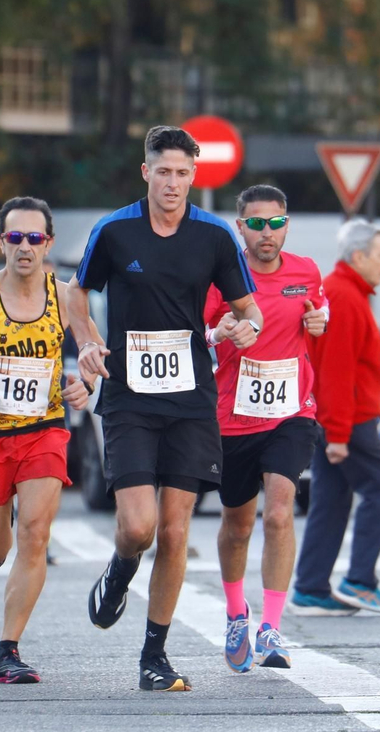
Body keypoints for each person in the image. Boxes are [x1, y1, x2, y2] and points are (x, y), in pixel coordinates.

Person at [62, 126, 263, 693]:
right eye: (163, 171)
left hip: (191, 399)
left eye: (182, 173)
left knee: (175, 532)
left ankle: (155, 655)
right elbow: (77, 293)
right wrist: (87, 342)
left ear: (193, 176)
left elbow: (251, 309)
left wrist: (244, 329)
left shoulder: (215, 237)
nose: (172, 183)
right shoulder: (115, 230)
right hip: (128, 396)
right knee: (138, 527)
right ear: (145, 172)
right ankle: (120, 571)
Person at [0, 196, 91, 684]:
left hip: (43, 428)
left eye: (34, 238)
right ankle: (2, 506)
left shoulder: (67, 296)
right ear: (1, 241)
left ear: (48, 243)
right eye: (14, 237)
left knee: (35, 535)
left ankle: (8, 648)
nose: (24, 247)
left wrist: (84, 386)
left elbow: (91, 353)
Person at [203, 185, 328, 672]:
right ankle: (237, 613)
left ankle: (272, 628)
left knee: (279, 513)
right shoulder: (223, 278)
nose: (267, 233)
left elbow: (318, 309)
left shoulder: (306, 270)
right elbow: (202, 331)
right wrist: (221, 332)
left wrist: (320, 320)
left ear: (287, 225)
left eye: (275, 223)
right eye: (257, 224)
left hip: (292, 412)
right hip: (233, 416)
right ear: (241, 228)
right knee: (237, 526)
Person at [292, 218, 380, 616]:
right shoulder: (343, 295)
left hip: (337, 418)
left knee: (332, 498)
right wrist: (338, 434)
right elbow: (336, 371)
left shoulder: (343, 291)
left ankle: (310, 588)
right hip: (348, 420)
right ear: (358, 257)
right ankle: (359, 581)